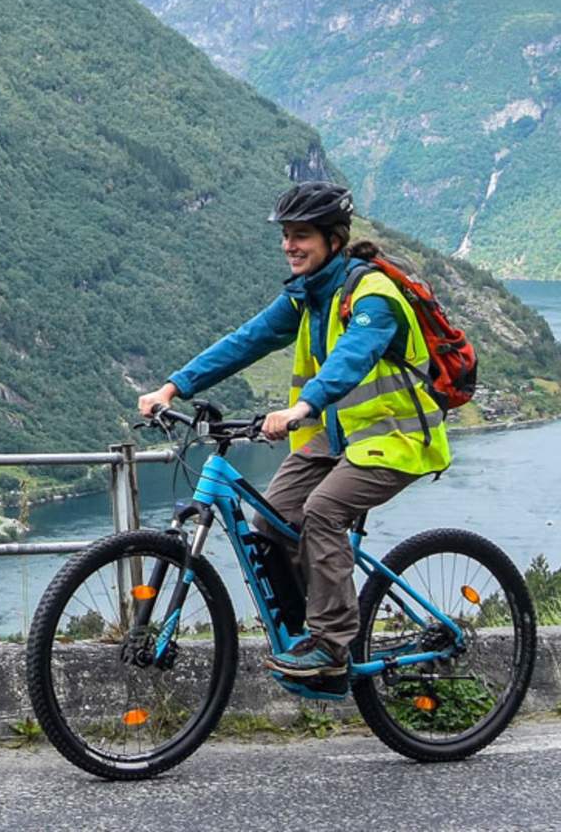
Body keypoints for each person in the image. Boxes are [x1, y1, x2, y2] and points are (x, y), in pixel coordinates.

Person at [137, 181, 450, 678]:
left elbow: (354, 356)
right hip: (338, 435)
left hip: (395, 437)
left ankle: (331, 646)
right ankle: (306, 633)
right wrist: (173, 388)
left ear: (334, 238)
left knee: (322, 512)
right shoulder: (307, 296)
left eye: (301, 234)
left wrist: (304, 406)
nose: (289, 245)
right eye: (286, 235)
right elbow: (247, 341)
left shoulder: (374, 294)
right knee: (271, 521)